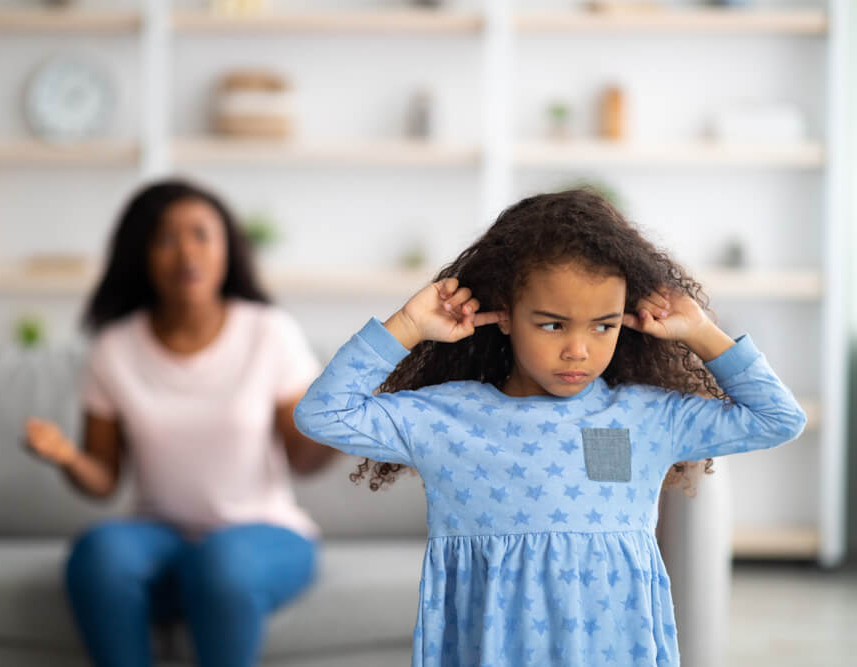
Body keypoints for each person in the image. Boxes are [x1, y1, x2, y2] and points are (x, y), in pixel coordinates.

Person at [293, 189, 806, 666]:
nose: (578, 349)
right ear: (507, 315)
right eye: (553, 324)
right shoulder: (448, 418)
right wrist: (406, 325)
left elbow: (779, 419)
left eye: (602, 325)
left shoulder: (648, 417)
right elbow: (322, 413)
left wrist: (699, 331)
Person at [24, 179, 336, 667]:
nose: (186, 252)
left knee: (218, 566)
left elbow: (303, 459)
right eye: (166, 239)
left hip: (261, 535)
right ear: (142, 256)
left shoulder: (268, 332)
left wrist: (342, 424)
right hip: (158, 538)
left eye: (201, 235)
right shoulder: (114, 349)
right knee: (98, 555)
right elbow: (103, 479)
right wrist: (67, 458)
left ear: (227, 249)